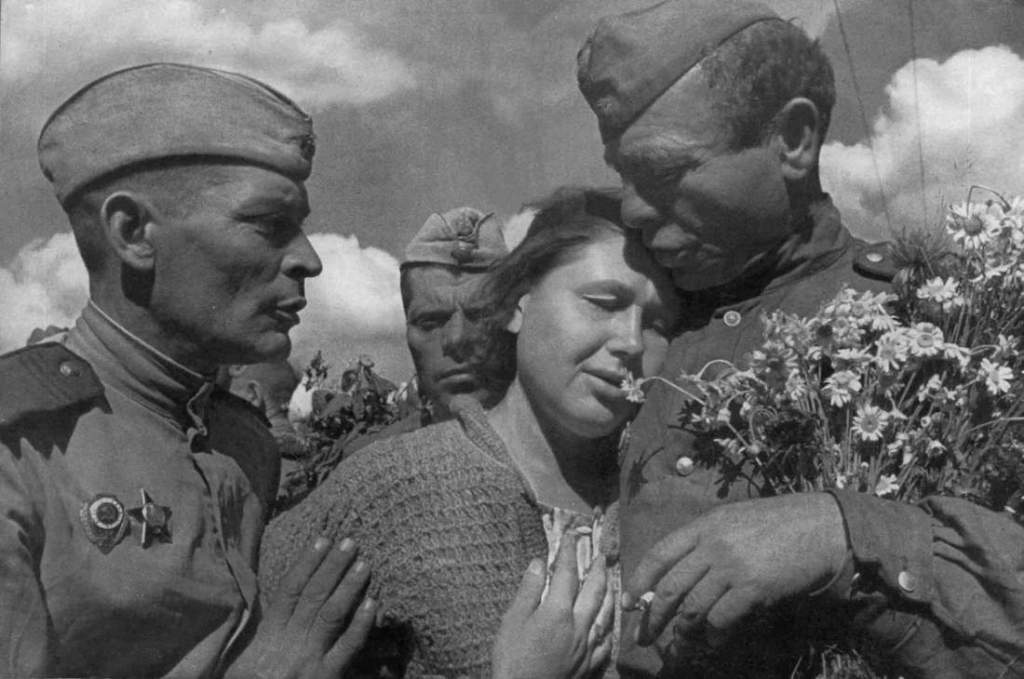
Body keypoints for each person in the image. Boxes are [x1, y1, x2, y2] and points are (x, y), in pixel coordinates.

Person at [576, 2, 1024, 677]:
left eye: (665, 173)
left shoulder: (946, 323)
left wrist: (841, 533)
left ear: (793, 138)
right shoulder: (630, 332)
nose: (632, 208)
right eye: (622, 174)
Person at [0, 63, 376, 678]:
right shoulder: (19, 446)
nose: (309, 260)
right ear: (133, 232)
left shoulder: (245, 445)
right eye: (269, 226)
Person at [258, 187, 682, 677]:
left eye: (657, 323)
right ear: (517, 305)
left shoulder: (667, 492)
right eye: (603, 302)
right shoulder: (400, 487)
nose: (630, 342)